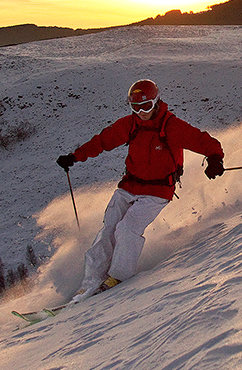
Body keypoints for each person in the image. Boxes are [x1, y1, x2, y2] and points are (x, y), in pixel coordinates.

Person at [57, 79, 224, 304]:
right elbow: (102, 141)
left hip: (157, 191)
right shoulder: (130, 125)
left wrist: (215, 158)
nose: (142, 112)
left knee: (127, 229)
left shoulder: (171, 126)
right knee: (109, 230)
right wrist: (75, 156)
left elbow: (202, 140)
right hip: (130, 185)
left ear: (156, 103)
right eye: (136, 108)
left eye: (146, 107)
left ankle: (118, 277)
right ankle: (90, 281)